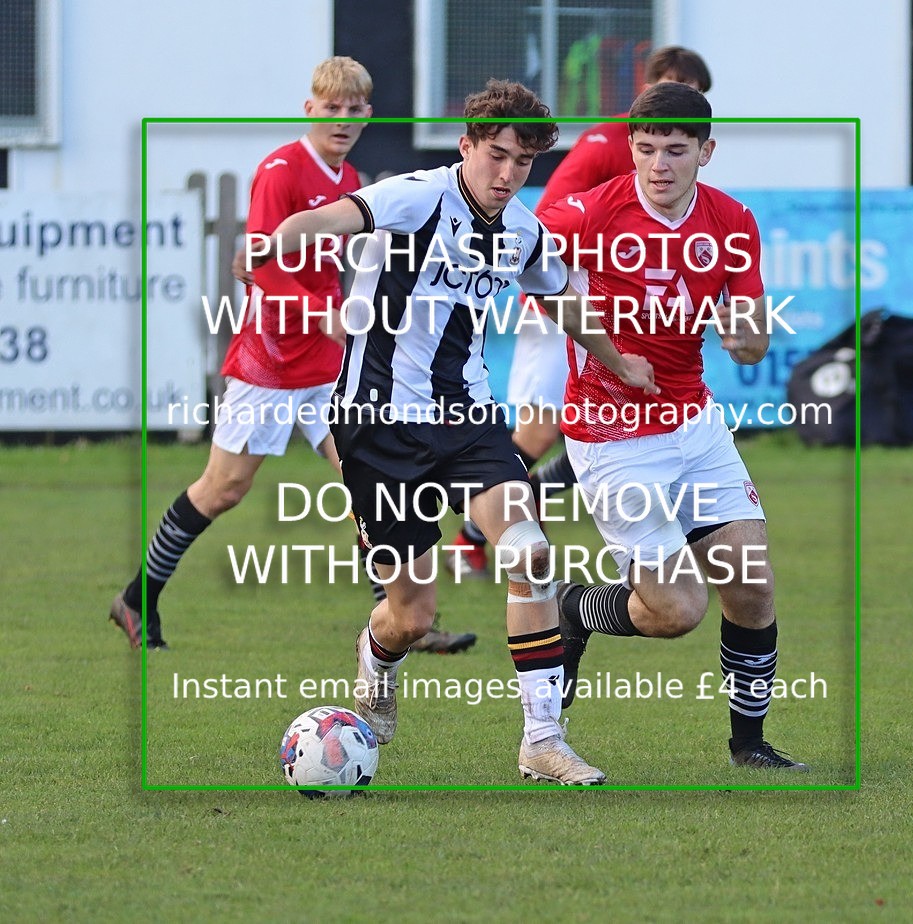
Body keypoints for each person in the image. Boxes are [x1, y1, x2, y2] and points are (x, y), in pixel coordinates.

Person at [249, 79, 656, 784]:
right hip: (376, 429)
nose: (506, 175)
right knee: (411, 616)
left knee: (529, 553)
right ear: (466, 145)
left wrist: (619, 358)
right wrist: (280, 241)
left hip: (468, 420)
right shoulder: (416, 195)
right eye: (495, 155)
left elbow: (563, 298)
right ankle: (377, 658)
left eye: (522, 163)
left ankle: (541, 739)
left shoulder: (523, 229)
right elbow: (332, 218)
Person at [108, 56, 475, 654]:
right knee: (223, 488)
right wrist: (324, 317)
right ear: (310, 109)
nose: (343, 119)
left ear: (368, 116)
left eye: (355, 110)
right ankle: (137, 596)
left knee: (372, 482)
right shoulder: (281, 170)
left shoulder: (350, 177)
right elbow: (258, 270)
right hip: (272, 361)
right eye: (332, 108)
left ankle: (404, 616)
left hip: (328, 367)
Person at [538, 81, 809, 771]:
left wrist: (747, 338)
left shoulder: (732, 221)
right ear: (631, 148)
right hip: (611, 437)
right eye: (647, 148)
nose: (659, 164)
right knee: (675, 610)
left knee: (752, 582)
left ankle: (748, 746)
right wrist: (605, 349)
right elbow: (529, 275)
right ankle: (573, 609)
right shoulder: (589, 215)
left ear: (706, 152)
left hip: (694, 425)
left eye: (676, 150)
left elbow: (750, 331)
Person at [449, 46, 712, 578]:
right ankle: (471, 535)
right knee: (542, 430)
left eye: (689, 89)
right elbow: (543, 224)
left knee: (629, 421)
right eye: (664, 83)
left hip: (631, 322)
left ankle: (518, 508)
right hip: (566, 309)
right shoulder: (605, 142)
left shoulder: (681, 167)